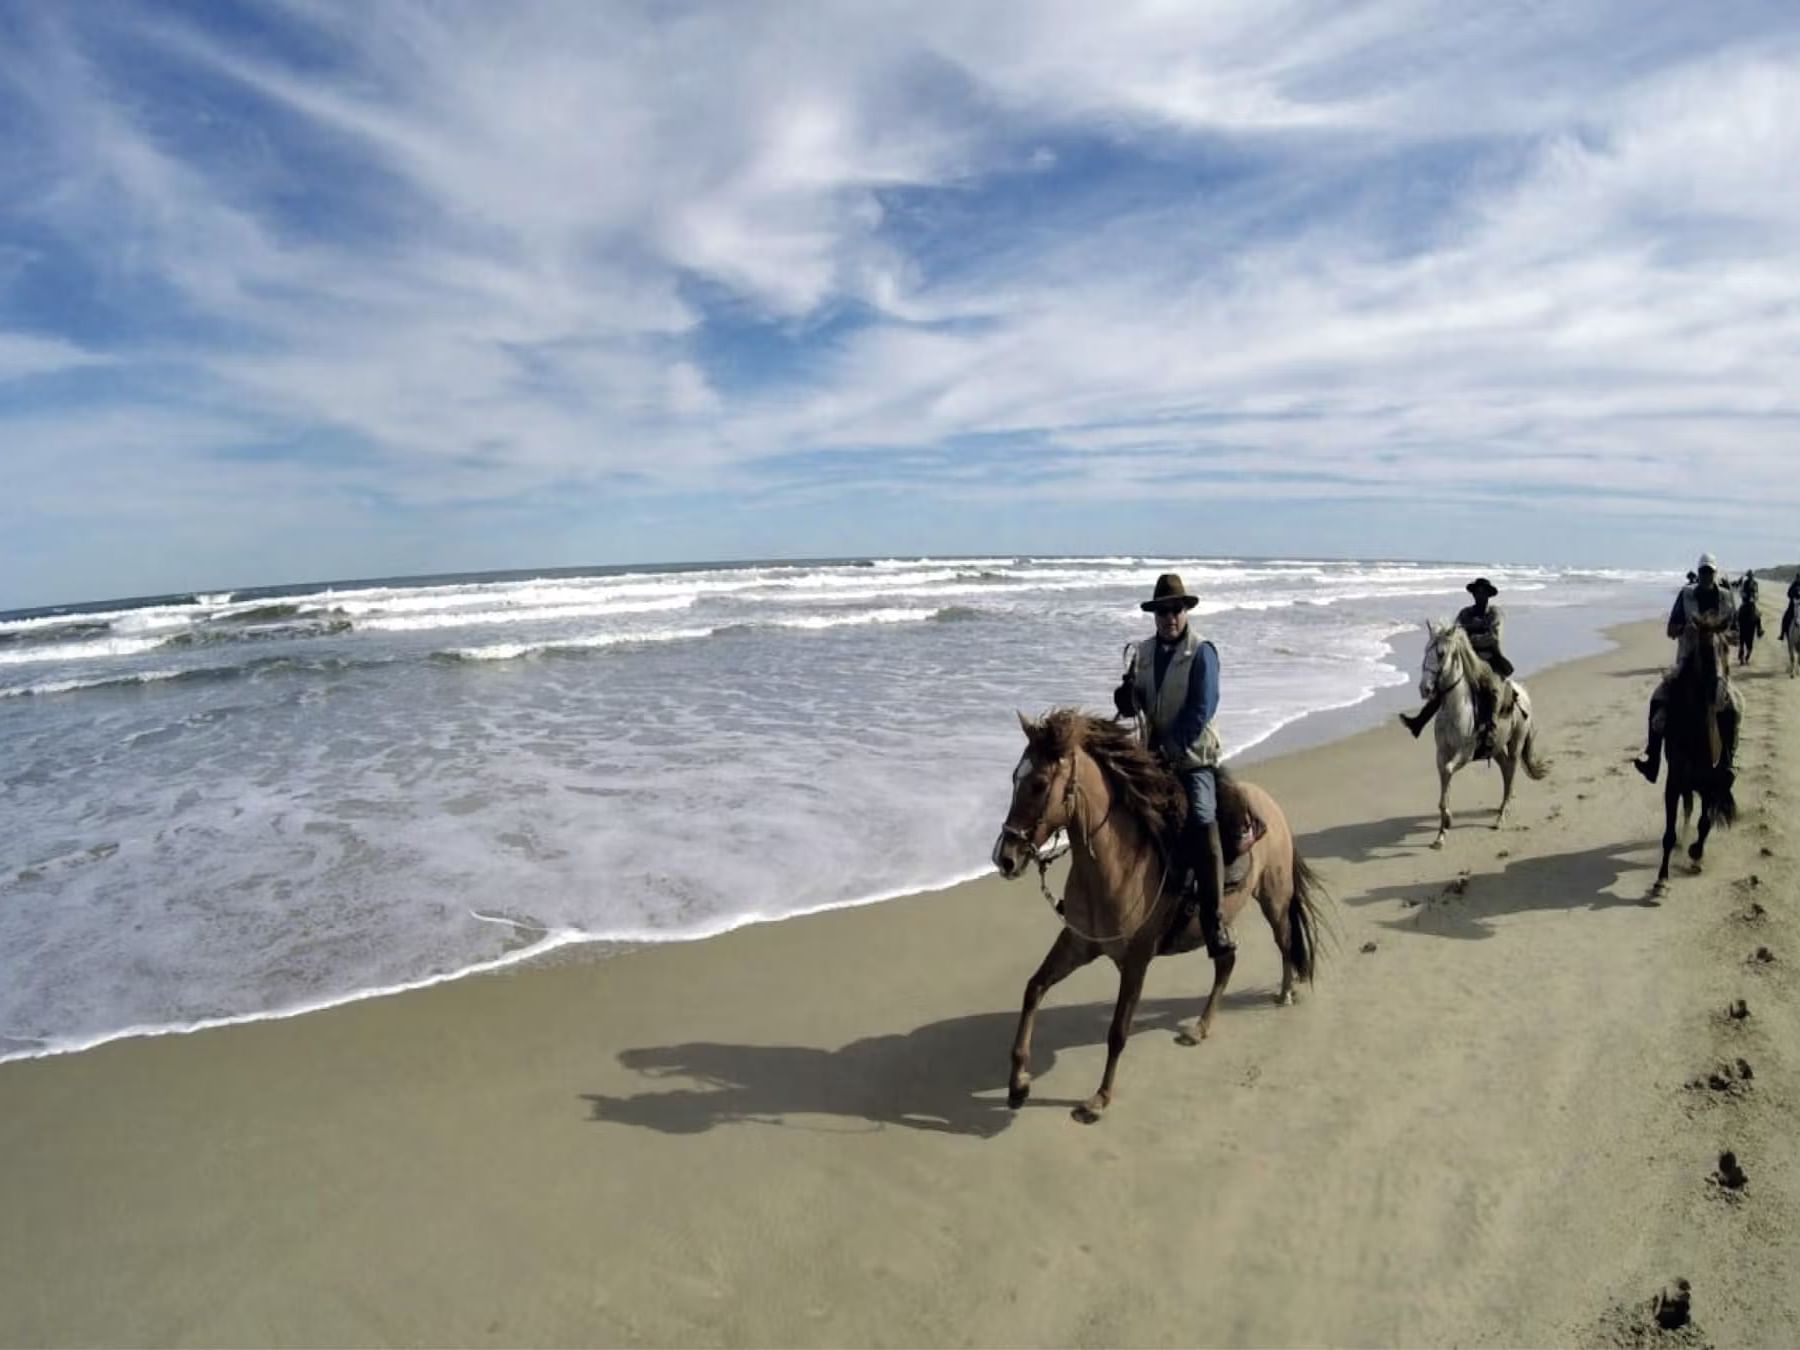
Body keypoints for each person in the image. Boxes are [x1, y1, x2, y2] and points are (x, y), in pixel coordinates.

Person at [1114, 573, 1233, 957]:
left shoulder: (1202, 653)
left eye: (1176, 610)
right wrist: (1125, 698)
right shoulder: (1143, 653)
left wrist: (1169, 748)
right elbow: (1136, 703)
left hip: (1194, 758)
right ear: (1154, 615)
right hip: (1153, 757)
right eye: (1163, 611)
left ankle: (1214, 920)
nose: (1169, 617)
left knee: (1202, 818)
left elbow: (1202, 709)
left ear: (1186, 612)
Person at [1635, 554, 1739, 784]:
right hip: (1687, 662)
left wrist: (1719, 633)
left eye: (1710, 572)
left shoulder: (1725, 597)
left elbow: (1736, 634)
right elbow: (1670, 630)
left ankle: (1729, 761)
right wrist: (1685, 628)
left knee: (1735, 706)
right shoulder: (1687, 594)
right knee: (1658, 698)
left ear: (1715, 573)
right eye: (1703, 572)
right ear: (1698, 572)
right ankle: (1652, 761)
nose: (1706, 576)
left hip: (1718, 667)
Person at [1399, 577, 1516, 757]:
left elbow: (1493, 638)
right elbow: (1454, 635)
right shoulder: (1465, 614)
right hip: (1466, 659)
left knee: (1493, 688)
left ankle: (1491, 731)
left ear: (1488, 595)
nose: (1479, 595)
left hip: (1489, 660)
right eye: (1477, 592)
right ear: (1473, 594)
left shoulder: (1495, 614)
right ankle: (1419, 722)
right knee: (1444, 684)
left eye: (1483, 592)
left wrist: (1467, 641)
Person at [1783, 573, 1800, 644]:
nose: (1799, 579)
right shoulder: (1793, 585)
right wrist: (1793, 597)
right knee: (1785, 618)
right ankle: (1782, 634)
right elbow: (1788, 593)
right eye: (1798, 578)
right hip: (1793, 605)